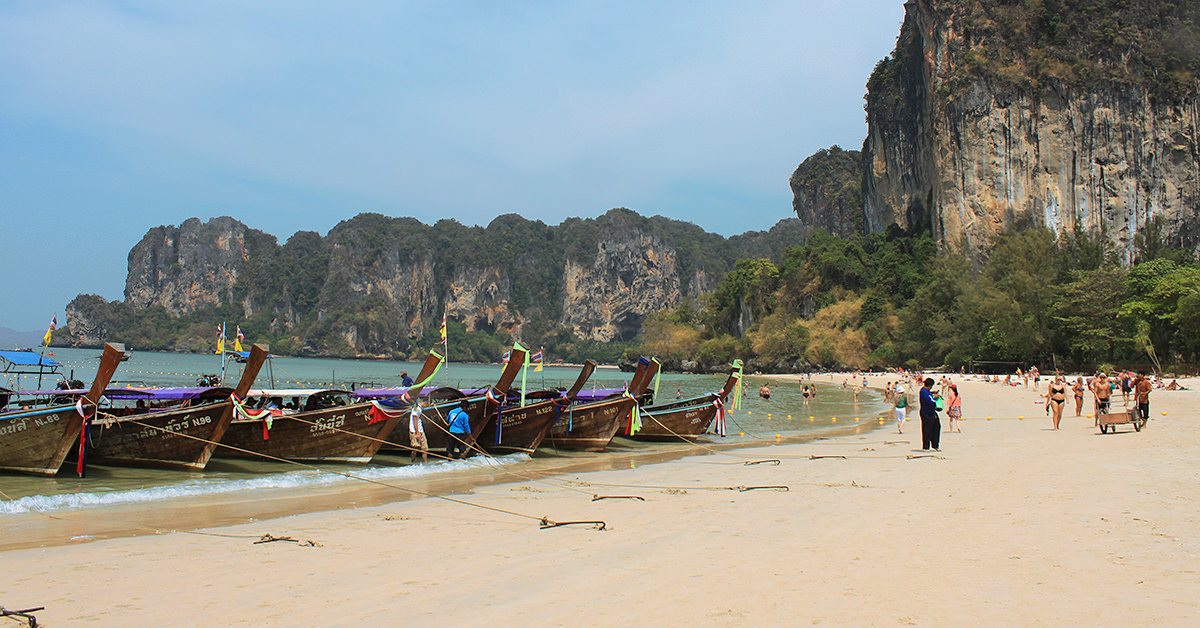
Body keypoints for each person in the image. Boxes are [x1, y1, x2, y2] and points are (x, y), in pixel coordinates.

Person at [919, 378, 940, 451]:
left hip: (931, 412)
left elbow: (929, 395)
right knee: (927, 429)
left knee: (936, 427)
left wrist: (932, 393)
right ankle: (926, 446)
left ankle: (935, 445)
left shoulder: (926, 391)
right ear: (930, 385)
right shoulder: (923, 392)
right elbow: (931, 401)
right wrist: (936, 398)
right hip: (926, 413)